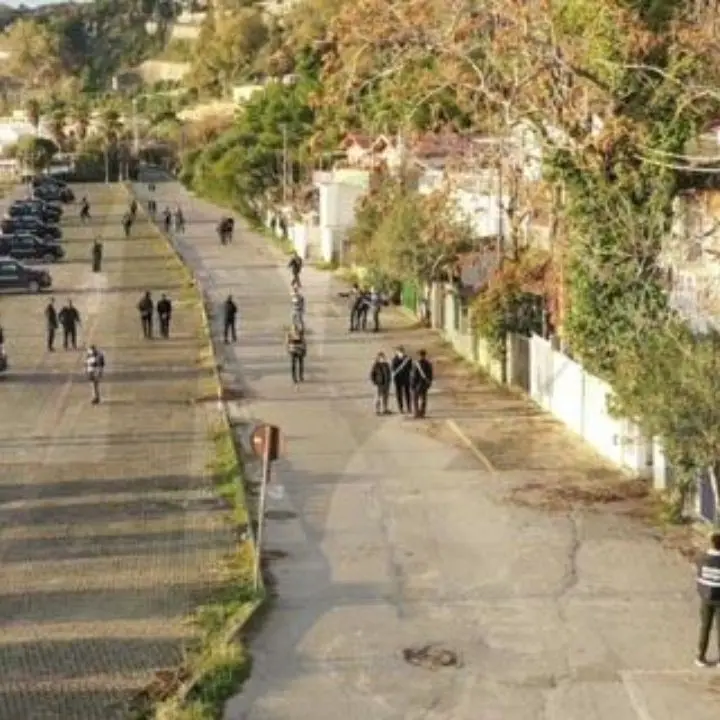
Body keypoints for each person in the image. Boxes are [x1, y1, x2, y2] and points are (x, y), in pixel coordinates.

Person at [696, 530, 720, 667]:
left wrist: (702, 592)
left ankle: (700, 656)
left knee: (705, 627)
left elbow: (699, 577)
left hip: (706, 597)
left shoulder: (703, 558)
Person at [410, 349, 434, 418]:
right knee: (422, 399)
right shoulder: (428, 364)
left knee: (416, 399)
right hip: (423, 384)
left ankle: (417, 413)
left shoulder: (416, 364)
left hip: (417, 384)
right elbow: (430, 375)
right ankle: (421, 413)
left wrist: (412, 385)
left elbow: (413, 375)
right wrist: (428, 384)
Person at [391, 346, 412, 413]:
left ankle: (409, 407)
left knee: (407, 393)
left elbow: (410, 369)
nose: (401, 353)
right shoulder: (394, 360)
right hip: (398, 379)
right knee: (399, 394)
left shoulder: (408, 359)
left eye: (402, 352)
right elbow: (393, 369)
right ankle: (401, 408)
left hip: (406, 378)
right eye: (399, 352)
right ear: (397, 352)